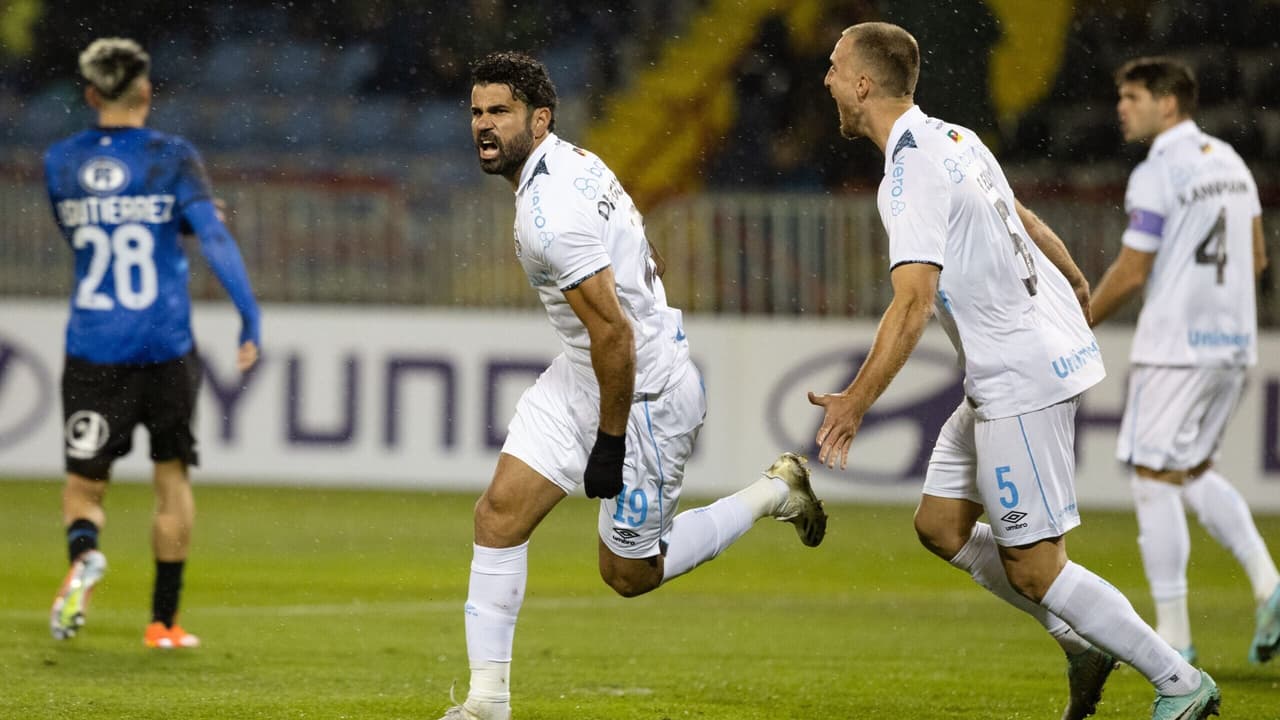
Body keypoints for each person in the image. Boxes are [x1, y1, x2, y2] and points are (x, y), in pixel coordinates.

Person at [808, 23, 1219, 720]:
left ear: (863, 84)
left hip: (1019, 375)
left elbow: (913, 302)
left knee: (1035, 566)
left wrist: (855, 402)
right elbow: (1022, 216)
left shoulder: (909, 173)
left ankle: (1179, 682)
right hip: (1016, 360)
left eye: (833, 66)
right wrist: (1074, 276)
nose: (824, 79)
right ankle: (1080, 639)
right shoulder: (954, 137)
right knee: (940, 524)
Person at [438, 50, 827, 720]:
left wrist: (609, 445)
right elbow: (632, 258)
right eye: (476, 111)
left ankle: (773, 493)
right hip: (586, 373)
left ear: (539, 117)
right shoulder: (572, 162)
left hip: (643, 396)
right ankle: (486, 704)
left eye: (499, 111)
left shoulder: (548, 212)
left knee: (628, 574)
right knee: (498, 517)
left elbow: (615, 336)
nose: (483, 124)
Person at [44, 38, 261, 650]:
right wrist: (249, 316)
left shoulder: (60, 161)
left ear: (90, 95)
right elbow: (215, 240)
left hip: (93, 347)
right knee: (171, 480)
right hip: (165, 345)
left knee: (85, 487)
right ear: (146, 91)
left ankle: (84, 554)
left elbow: (78, 230)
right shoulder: (172, 157)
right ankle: (163, 622)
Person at [1090, 56, 1280, 666]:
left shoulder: (1156, 171)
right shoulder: (1230, 162)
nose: (1122, 106)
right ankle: (1270, 586)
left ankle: (1174, 636)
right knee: (1191, 470)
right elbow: (1254, 258)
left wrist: (1077, 321)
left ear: (1167, 104)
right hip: (1231, 345)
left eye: (1132, 96)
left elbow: (1131, 269)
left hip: (1174, 350)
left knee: (1152, 480)